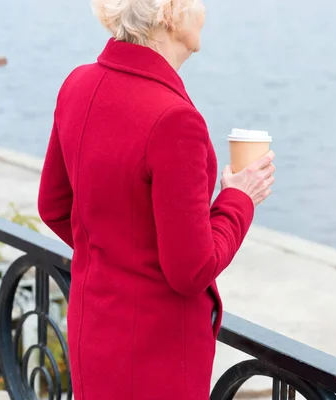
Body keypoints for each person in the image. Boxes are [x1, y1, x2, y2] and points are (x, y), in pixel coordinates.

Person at [37, 0, 275, 399]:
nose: (204, 11)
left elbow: (54, 207)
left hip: (92, 332)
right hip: (153, 356)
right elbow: (191, 269)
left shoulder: (77, 83)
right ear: (170, 14)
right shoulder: (173, 119)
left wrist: (117, 259)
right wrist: (238, 198)